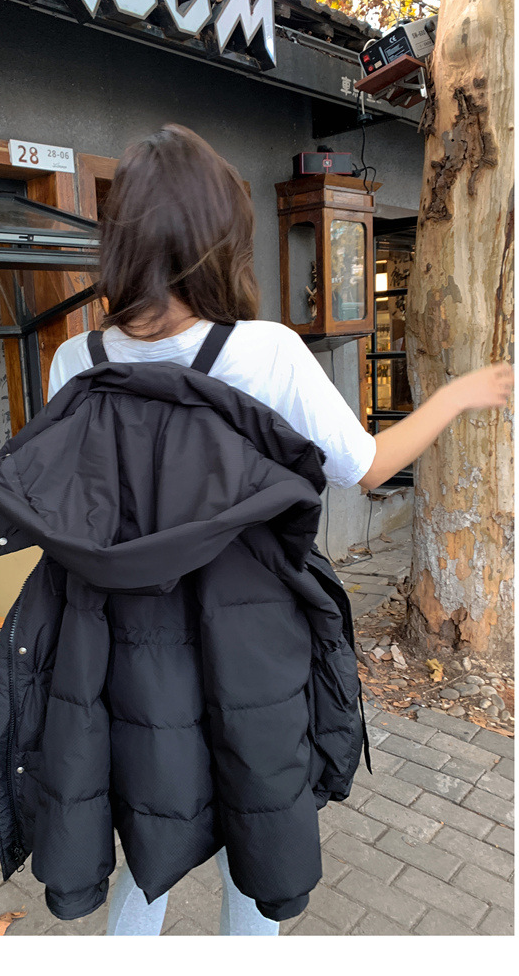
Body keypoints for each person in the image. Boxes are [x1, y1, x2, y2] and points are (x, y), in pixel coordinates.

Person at [42, 124, 513, 936]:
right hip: (249, 634)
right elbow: (366, 467)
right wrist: (454, 396)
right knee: (253, 824)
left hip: (124, 642)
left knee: (149, 831)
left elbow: (69, 508)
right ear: (218, 236)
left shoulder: (74, 361)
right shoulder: (265, 354)